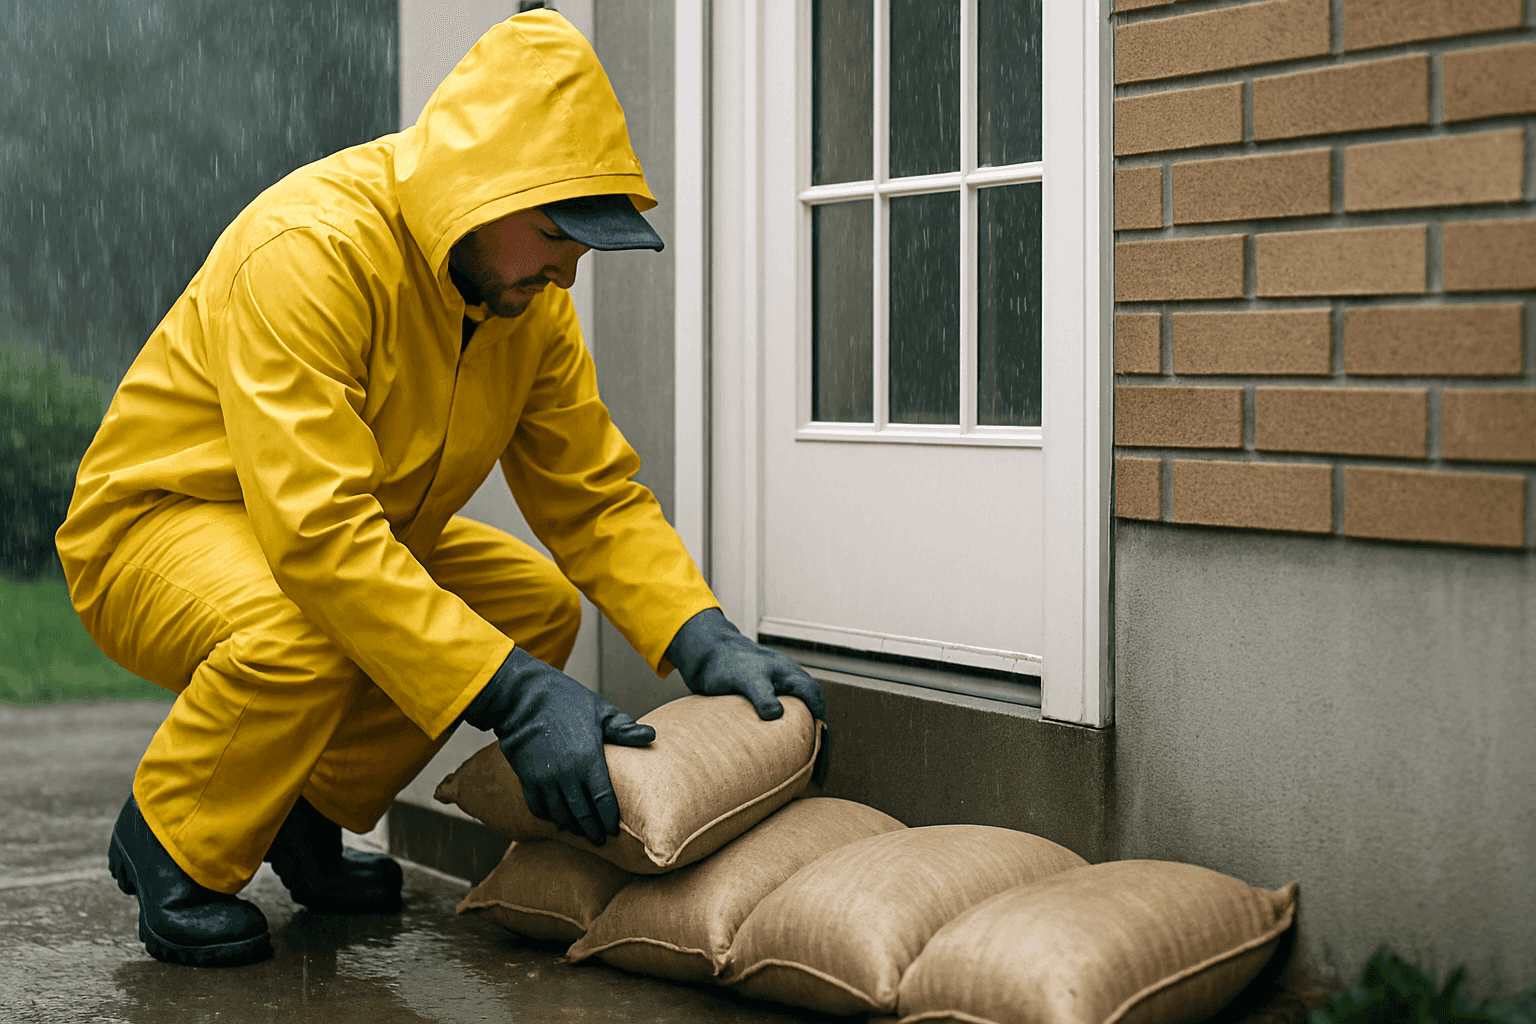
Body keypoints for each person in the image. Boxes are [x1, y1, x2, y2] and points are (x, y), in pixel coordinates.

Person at [54, 10, 824, 969]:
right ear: (477, 192)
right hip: (156, 529)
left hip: (341, 534)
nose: (568, 274)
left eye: (584, 251)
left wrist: (697, 633)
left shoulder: (523, 304)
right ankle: (175, 838)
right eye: (556, 237)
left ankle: (302, 812)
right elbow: (319, 539)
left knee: (531, 608)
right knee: (297, 631)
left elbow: (590, 494)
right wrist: (512, 698)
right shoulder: (310, 249)